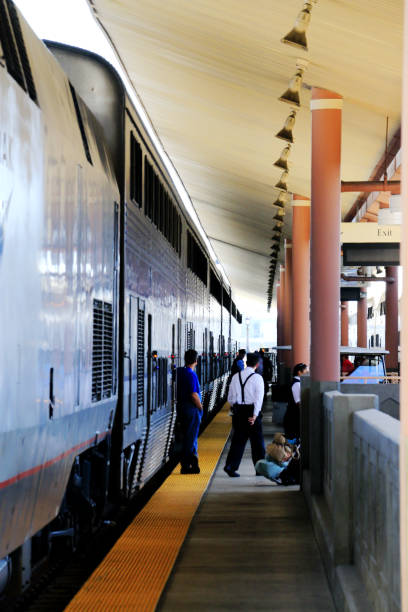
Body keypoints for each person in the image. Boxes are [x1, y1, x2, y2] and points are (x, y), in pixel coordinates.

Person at [223, 352, 265, 477]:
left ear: (246, 363)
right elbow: (259, 399)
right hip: (252, 412)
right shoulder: (258, 378)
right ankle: (260, 469)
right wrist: (255, 415)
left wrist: (237, 406)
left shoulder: (236, 377)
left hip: (238, 412)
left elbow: (230, 398)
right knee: (257, 443)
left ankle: (230, 466)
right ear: (257, 364)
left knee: (238, 441)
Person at [176, 349, 203, 474]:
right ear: (195, 361)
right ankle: (187, 466)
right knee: (190, 438)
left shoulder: (180, 371)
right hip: (191, 410)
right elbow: (194, 394)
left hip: (181, 408)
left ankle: (191, 463)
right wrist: (200, 407)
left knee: (186, 436)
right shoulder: (191, 374)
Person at [283, 363, 308, 440]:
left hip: (292, 416)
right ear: (299, 372)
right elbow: (298, 402)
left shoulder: (296, 382)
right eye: (306, 371)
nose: (307, 373)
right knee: (294, 439)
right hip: (293, 418)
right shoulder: (297, 384)